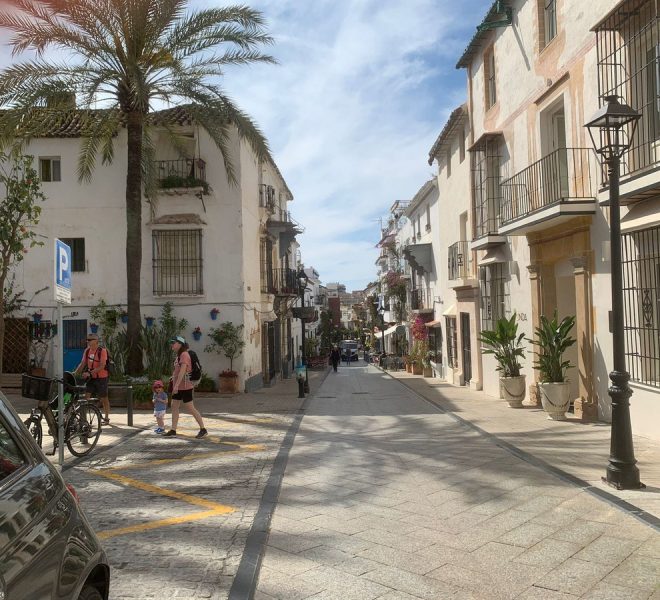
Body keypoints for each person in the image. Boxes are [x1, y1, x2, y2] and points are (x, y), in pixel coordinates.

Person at [163, 336, 207, 438]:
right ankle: (173, 429)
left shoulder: (184, 355)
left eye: (173, 343)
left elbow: (182, 371)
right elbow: (177, 371)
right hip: (178, 386)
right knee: (174, 406)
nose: (172, 345)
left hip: (185, 387)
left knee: (190, 408)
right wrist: (173, 380)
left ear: (180, 344)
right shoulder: (179, 355)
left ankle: (203, 429)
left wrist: (176, 386)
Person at [75, 333, 110, 425]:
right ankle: (83, 419)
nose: (88, 342)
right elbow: (82, 364)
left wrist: (89, 373)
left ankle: (106, 418)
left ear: (96, 341)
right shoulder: (87, 351)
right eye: (87, 340)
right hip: (91, 378)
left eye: (90, 340)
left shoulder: (102, 351)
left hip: (102, 378)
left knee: (104, 398)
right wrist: (74, 373)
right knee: (86, 397)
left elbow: (102, 366)